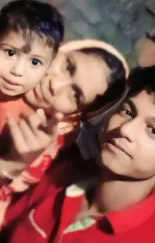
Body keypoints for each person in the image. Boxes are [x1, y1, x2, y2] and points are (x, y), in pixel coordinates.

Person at [2, 66, 155, 243]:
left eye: (152, 130)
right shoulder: (64, 174)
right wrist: (11, 167)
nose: (125, 129)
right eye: (127, 112)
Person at [0, 39, 129, 229]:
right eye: (68, 66)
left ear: (75, 116)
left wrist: (12, 165)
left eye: (75, 94)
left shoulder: (41, 154)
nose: (55, 84)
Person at [0, 0, 64, 136]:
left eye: (35, 62)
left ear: (48, 67)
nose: (17, 71)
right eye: (10, 53)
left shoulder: (25, 123)